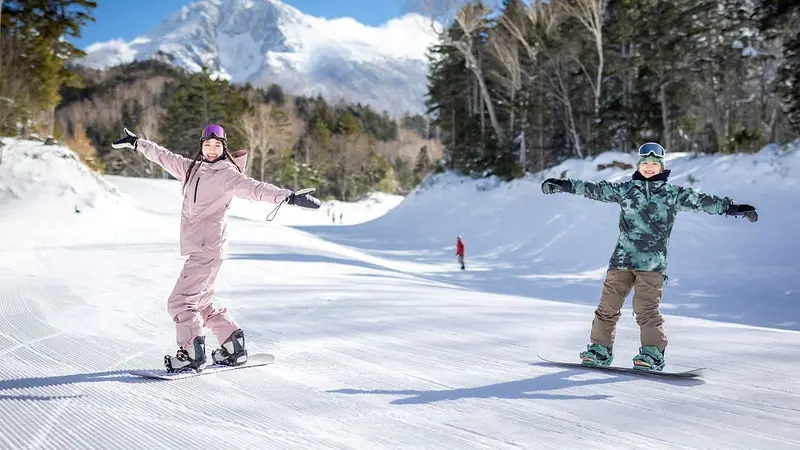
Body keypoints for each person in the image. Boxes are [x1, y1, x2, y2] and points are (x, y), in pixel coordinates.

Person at [112, 125, 321, 373]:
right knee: (201, 303)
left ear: (224, 148)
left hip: (207, 248)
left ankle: (191, 353)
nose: (212, 150)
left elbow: (256, 189)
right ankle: (232, 345)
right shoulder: (192, 169)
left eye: (217, 146)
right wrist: (137, 143)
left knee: (180, 302)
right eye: (207, 145)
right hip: (205, 248)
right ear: (201, 145)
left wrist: (288, 196)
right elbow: (163, 156)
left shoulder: (227, 175)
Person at [540, 142, 758, 371]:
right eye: (646, 163)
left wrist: (733, 208)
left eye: (655, 164)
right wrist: (563, 185)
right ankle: (600, 350)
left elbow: (704, 201)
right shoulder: (625, 190)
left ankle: (652, 353)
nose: (650, 167)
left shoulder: (672, 195)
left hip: (652, 265)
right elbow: (595, 189)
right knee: (607, 307)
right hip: (621, 261)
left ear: (661, 166)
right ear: (639, 165)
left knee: (646, 310)